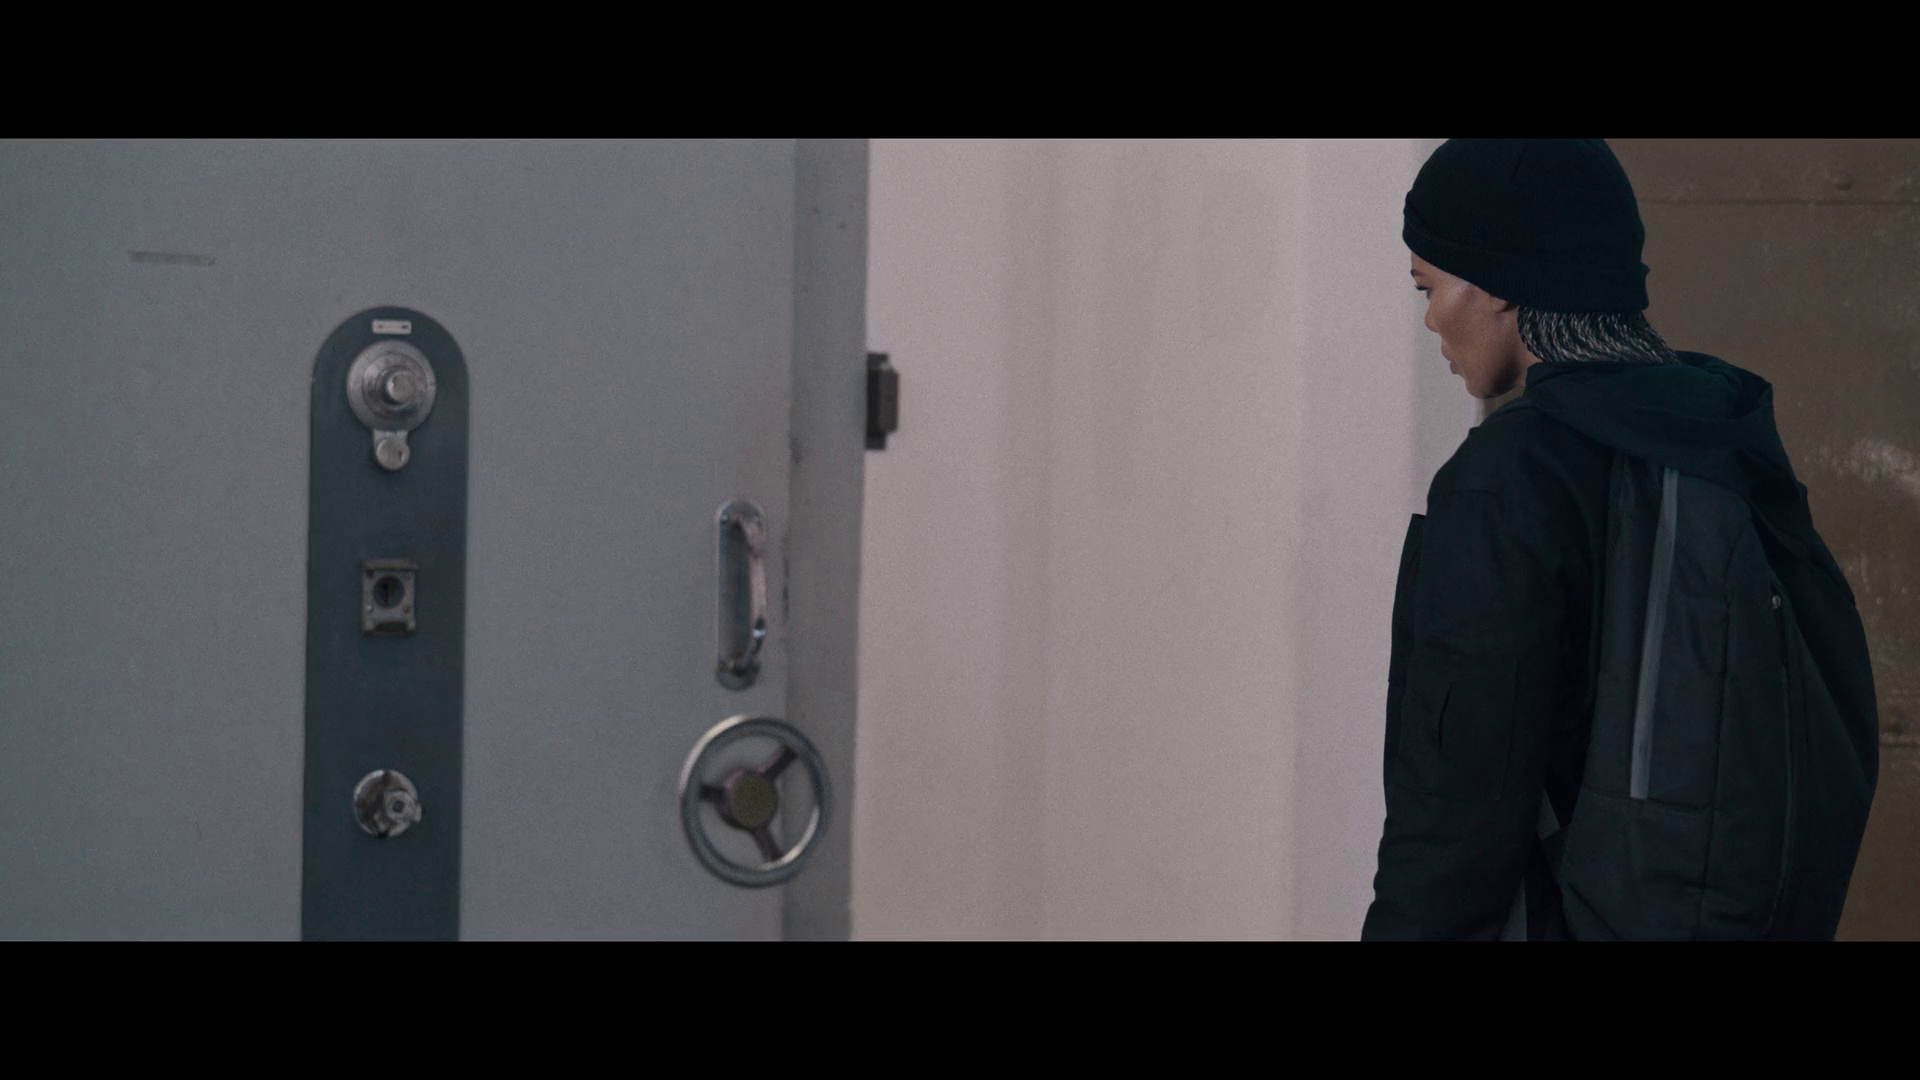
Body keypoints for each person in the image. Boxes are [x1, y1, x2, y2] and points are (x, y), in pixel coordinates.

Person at [1362, 138, 1878, 940]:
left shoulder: (1508, 475)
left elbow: (1457, 807)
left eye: (1429, 286)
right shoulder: (1727, 443)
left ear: (1499, 282)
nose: (1430, 318)